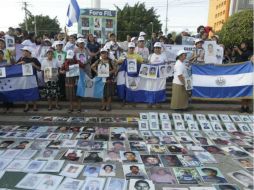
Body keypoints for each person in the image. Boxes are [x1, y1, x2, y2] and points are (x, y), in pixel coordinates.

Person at [17, 46, 41, 112]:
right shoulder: (21, 58)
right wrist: (20, 63)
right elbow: (15, 66)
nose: (23, 52)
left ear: (28, 52)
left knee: (34, 91)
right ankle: (26, 105)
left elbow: (39, 69)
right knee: (25, 91)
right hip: (24, 78)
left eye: (24, 51)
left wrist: (34, 65)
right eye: (23, 51)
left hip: (33, 78)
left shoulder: (34, 59)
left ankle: (35, 105)